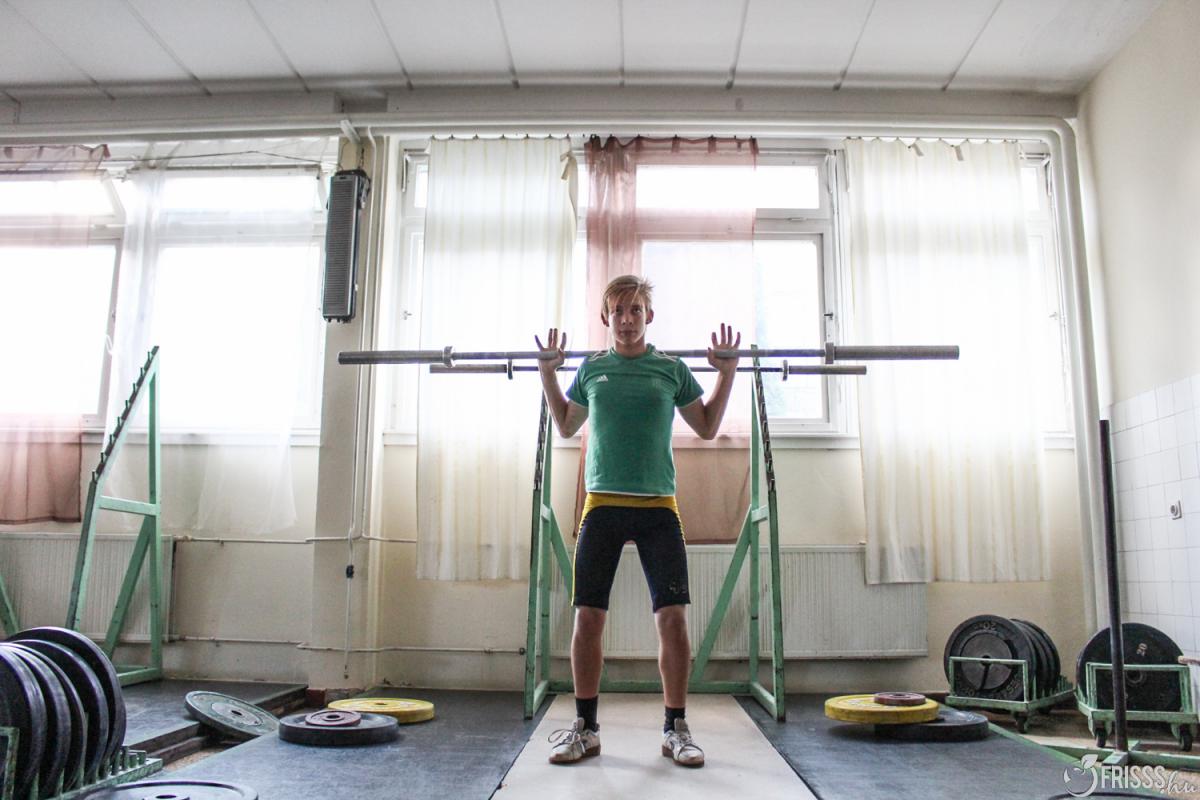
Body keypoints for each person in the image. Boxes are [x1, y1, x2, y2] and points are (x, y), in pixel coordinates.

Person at [535, 274, 740, 768]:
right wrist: (547, 372)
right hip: (602, 506)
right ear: (606, 317)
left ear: (649, 315)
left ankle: (676, 729)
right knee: (588, 617)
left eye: (635, 310)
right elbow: (565, 424)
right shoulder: (592, 369)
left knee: (672, 618)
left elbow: (707, 426)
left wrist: (727, 372)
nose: (626, 320)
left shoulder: (670, 369)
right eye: (618, 311)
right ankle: (586, 729)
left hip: (658, 509)